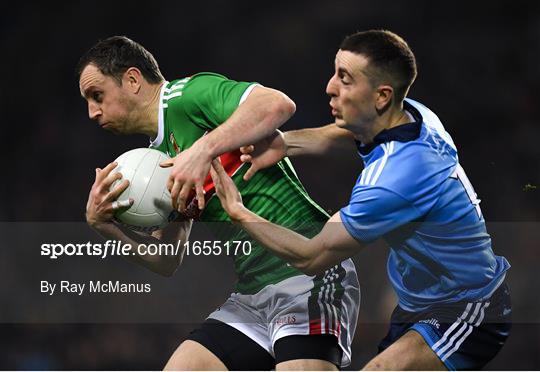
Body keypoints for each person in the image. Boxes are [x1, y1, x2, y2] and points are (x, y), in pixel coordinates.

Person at [210, 29, 512, 370]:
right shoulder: (414, 113)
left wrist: (239, 212)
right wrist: (287, 143)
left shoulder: (395, 179)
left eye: (345, 79)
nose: (330, 87)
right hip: (418, 306)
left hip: (468, 309)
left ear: (381, 96)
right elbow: (351, 134)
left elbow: (311, 257)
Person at [77, 36, 360, 370]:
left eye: (97, 96)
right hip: (253, 295)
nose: (92, 112)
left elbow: (277, 105)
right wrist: (104, 226)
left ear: (133, 80)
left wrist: (202, 149)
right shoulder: (158, 159)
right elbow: (168, 260)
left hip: (308, 274)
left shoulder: (188, 95)